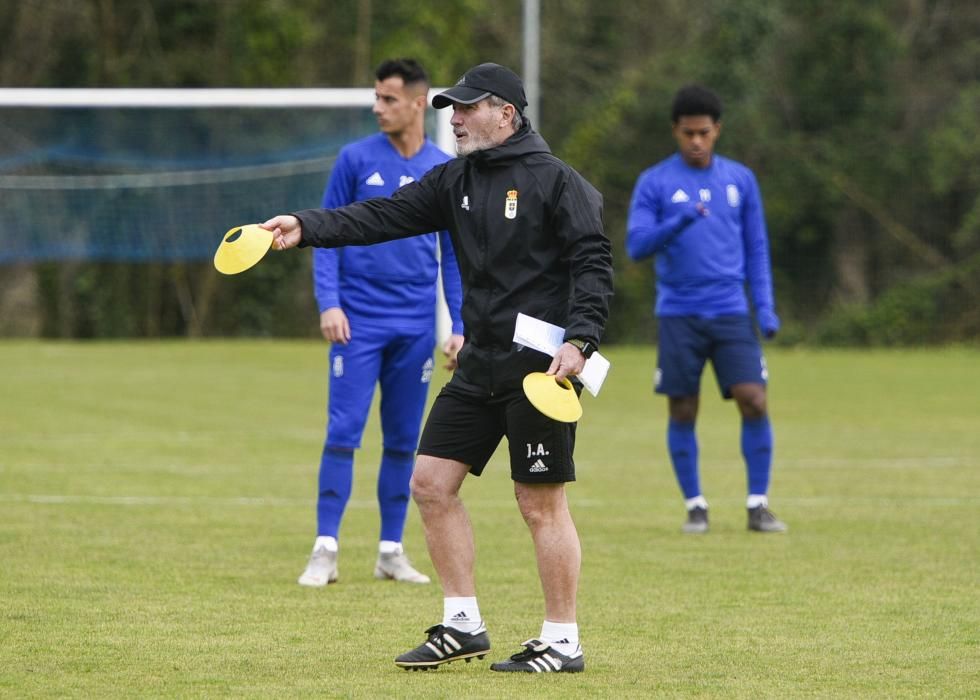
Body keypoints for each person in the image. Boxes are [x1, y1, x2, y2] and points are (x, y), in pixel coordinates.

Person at [263, 63, 613, 673]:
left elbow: (593, 264)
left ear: (506, 113)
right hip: (479, 364)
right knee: (428, 482)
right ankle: (462, 624)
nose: (452, 118)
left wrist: (580, 341)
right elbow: (378, 217)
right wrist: (307, 226)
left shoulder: (558, 182)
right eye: (450, 108)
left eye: (467, 107)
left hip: (543, 370)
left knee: (539, 505)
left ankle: (562, 640)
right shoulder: (452, 180)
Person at [297, 58, 465, 588]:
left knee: (402, 441)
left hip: (415, 327)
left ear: (419, 103)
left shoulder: (443, 167)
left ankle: (391, 550)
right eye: (376, 97)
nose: (377, 107)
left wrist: (459, 323)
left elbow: (455, 256)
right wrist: (330, 301)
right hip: (358, 322)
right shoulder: (354, 160)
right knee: (343, 433)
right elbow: (322, 233)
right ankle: (325, 547)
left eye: (388, 99)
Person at [625, 84, 787, 534]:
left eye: (704, 132)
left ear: (717, 131)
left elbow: (756, 247)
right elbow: (636, 246)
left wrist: (766, 309)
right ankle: (696, 505)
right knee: (682, 408)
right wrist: (677, 219)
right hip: (678, 312)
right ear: (675, 132)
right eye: (687, 133)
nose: (696, 141)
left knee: (753, 400)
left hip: (731, 310)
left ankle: (758, 504)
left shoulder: (740, 180)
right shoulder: (655, 182)